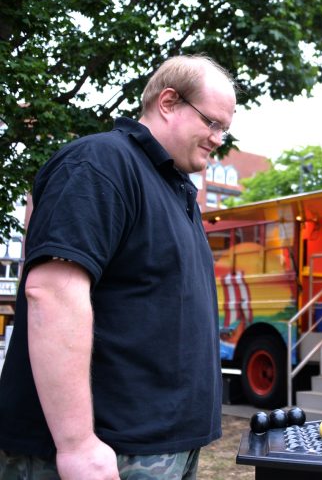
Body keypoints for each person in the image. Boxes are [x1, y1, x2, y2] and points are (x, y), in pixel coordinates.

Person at [0, 55, 236, 479]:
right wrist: (77, 445)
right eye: (212, 123)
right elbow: (51, 293)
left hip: (163, 447)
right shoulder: (100, 163)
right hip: (108, 452)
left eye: (225, 128)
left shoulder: (174, 187)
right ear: (168, 102)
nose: (218, 138)